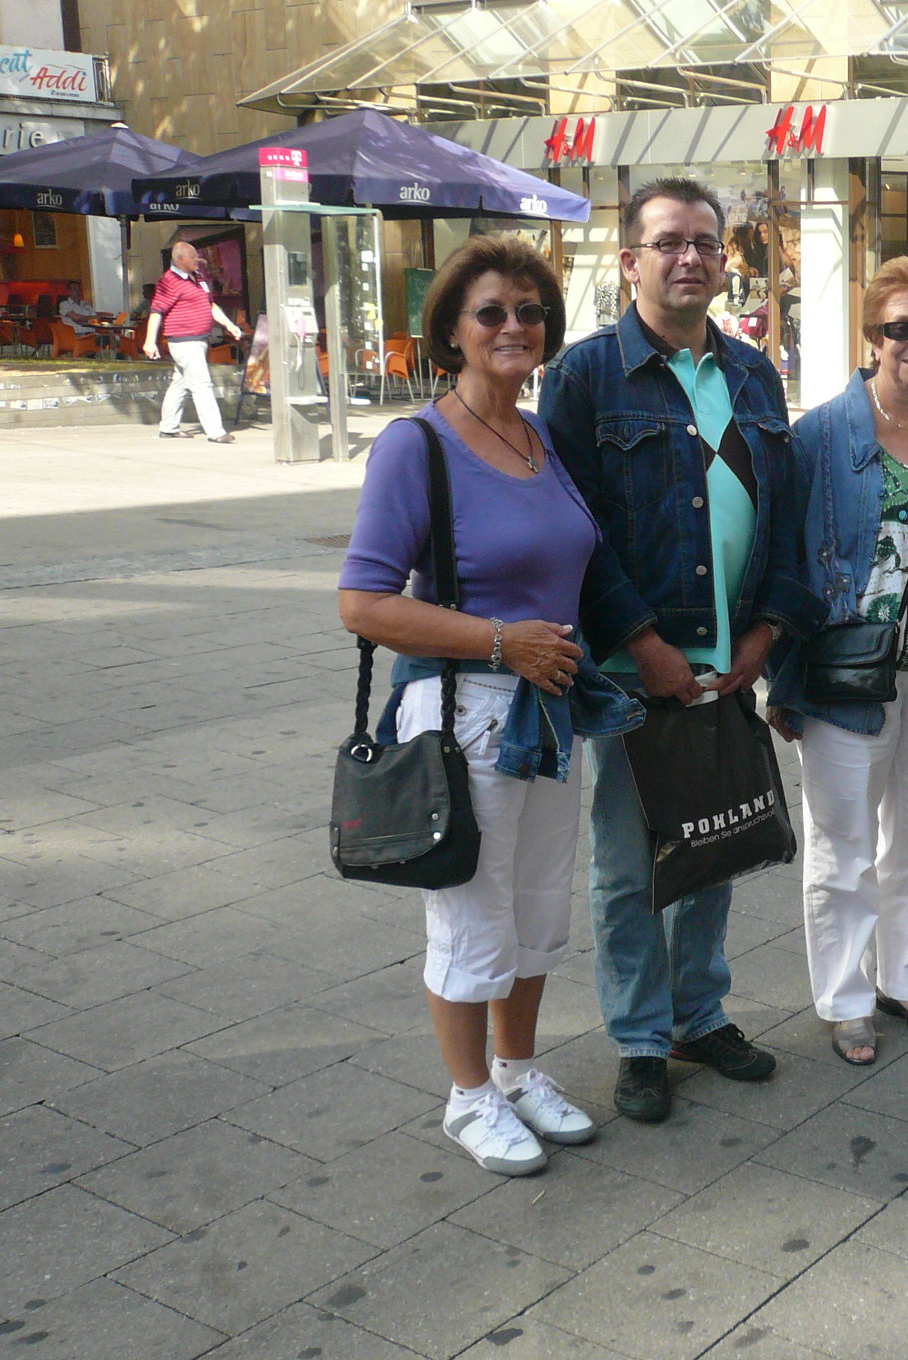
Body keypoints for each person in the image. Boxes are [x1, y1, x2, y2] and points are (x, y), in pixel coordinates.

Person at [337, 235, 642, 1176]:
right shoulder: (416, 445)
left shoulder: (539, 437)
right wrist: (504, 641)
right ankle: (467, 1098)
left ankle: (516, 1071)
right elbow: (364, 602)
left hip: (547, 713)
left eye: (530, 311)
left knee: (539, 911)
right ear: (453, 333)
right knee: (472, 916)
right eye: (492, 312)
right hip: (465, 710)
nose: (515, 326)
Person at [540, 177, 819, 1125]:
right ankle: (639, 1037)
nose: (689, 256)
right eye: (668, 242)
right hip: (635, 675)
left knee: (715, 846)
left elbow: (785, 517)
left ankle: (700, 1015)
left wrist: (766, 633)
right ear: (631, 261)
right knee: (629, 866)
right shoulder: (586, 377)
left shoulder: (752, 375)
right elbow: (576, 531)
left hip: (730, 665)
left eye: (704, 241)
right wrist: (642, 640)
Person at [766, 258, 908, 1065]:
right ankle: (844, 997)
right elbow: (782, 562)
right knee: (844, 845)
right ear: (873, 336)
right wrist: (782, 679)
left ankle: (903, 979)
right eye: (899, 327)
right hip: (842, 679)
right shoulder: (819, 436)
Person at [143, 240, 242, 443]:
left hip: (198, 339)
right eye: (193, 257)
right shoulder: (169, 281)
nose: (198, 260)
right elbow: (156, 311)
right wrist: (150, 341)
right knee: (202, 384)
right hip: (185, 341)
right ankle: (215, 431)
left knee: (180, 384)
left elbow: (210, 305)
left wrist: (228, 324)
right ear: (180, 259)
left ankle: (168, 428)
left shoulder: (198, 277)